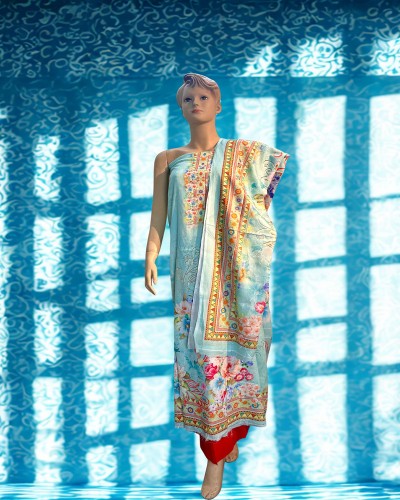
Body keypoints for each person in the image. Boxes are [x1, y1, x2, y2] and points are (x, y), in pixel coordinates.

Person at [145, 73, 290, 499]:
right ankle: (217, 446)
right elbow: (159, 215)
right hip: (190, 280)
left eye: (203, 96)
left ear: (218, 104)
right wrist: (150, 254)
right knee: (198, 361)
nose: (195, 102)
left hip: (236, 277)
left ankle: (220, 449)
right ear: (181, 107)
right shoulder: (167, 158)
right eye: (188, 98)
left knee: (236, 357)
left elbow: (262, 196)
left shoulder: (244, 155)